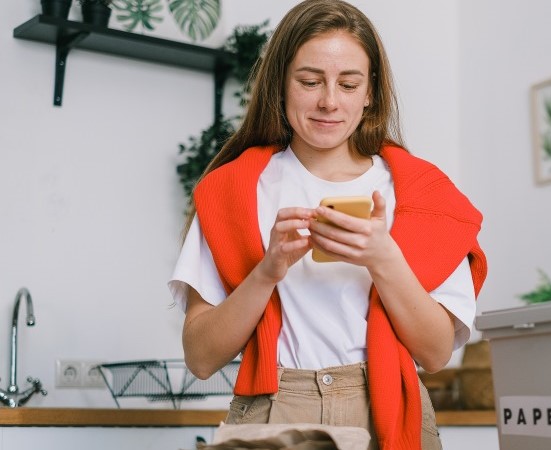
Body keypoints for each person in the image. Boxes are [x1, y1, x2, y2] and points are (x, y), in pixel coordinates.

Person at [168, 0, 488, 448]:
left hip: (386, 409)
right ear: (280, 84)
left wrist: (383, 258)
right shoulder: (234, 191)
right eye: (309, 81)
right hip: (274, 408)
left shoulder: (422, 195)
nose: (329, 101)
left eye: (348, 82)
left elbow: (434, 354)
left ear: (371, 91)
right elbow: (200, 358)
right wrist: (267, 271)